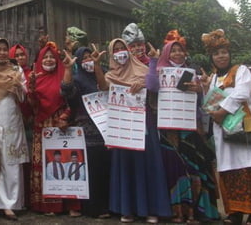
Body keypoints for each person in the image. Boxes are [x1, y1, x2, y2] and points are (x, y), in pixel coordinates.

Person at [200, 29, 251, 225]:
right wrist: (210, 104)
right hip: (224, 132)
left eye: (224, 52)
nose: (221, 56)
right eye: (216, 53)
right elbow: (211, 99)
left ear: (229, 54)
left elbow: (243, 93)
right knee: (229, 171)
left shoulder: (241, 71)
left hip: (244, 129)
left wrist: (222, 111)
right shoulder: (215, 77)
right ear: (212, 57)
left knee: (250, 170)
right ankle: (235, 213)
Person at [147, 31, 219, 224]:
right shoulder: (160, 70)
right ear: (167, 53)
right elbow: (152, 87)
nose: (177, 54)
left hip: (190, 128)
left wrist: (200, 90)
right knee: (174, 169)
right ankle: (177, 211)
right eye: (173, 51)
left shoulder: (193, 71)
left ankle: (196, 211)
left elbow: (204, 101)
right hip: (169, 130)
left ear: (185, 53)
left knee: (194, 168)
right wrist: (153, 61)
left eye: (180, 50)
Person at [97, 38, 172, 223]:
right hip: (121, 127)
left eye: (123, 48)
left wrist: (144, 84)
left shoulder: (143, 69)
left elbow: (154, 85)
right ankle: (127, 209)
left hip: (144, 124)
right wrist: (97, 65)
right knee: (126, 165)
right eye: (116, 49)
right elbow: (103, 86)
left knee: (148, 164)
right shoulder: (110, 75)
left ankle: (151, 209)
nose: (120, 52)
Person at [27, 42, 81, 216]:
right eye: (46, 57)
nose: (49, 59)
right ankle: (48, 205)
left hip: (62, 126)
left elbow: (72, 99)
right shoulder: (36, 78)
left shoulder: (64, 76)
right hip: (42, 128)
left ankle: (70, 205)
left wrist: (65, 116)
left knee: (67, 163)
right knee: (46, 166)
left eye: (52, 57)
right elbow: (32, 105)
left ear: (57, 60)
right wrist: (32, 88)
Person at [60, 45, 110, 218]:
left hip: (107, 130)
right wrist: (67, 68)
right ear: (79, 62)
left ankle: (108, 206)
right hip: (88, 132)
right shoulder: (78, 79)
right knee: (92, 170)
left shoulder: (103, 73)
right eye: (85, 58)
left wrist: (97, 67)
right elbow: (66, 91)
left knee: (106, 168)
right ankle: (93, 208)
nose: (88, 60)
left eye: (91, 57)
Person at [0, 38, 29, 220]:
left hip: (11, 119)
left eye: (4, 49)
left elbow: (24, 96)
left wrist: (18, 86)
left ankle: (9, 204)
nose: (1, 52)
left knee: (11, 160)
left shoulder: (15, 70)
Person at [9, 43, 34, 207]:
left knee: (31, 160)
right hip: (14, 122)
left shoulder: (32, 74)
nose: (19, 58)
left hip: (31, 122)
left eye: (22, 55)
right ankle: (20, 197)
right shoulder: (10, 73)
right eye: (16, 55)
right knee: (17, 161)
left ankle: (32, 197)